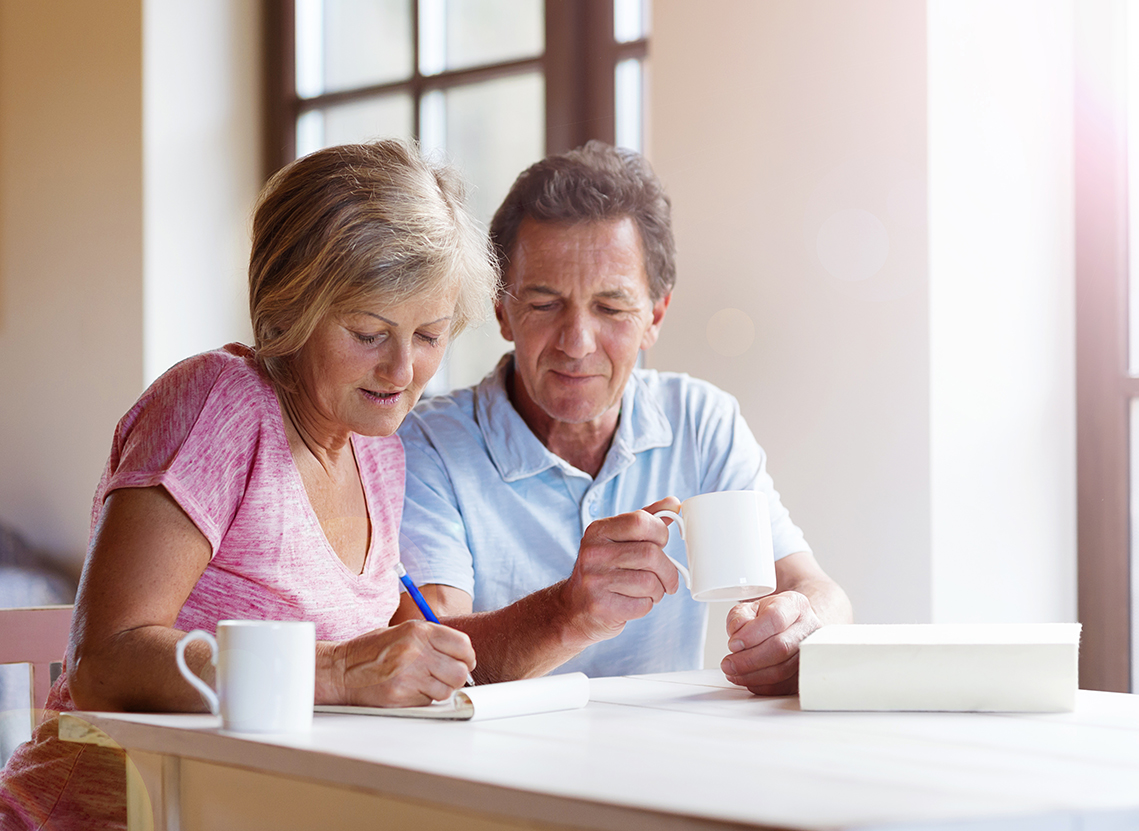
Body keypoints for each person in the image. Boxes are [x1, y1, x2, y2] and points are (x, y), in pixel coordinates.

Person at [0, 139, 496, 830]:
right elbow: (103, 661)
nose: (402, 370)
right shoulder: (219, 404)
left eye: (429, 336)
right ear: (287, 311)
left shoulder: (378, 450)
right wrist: (340, 672)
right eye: (368, 332)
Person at [394, 141, 852, 695]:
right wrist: (569, 612)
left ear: (655, 315)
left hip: (664, 745)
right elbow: (429, 651)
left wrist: (802, 628)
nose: (577, 343)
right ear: (502, 310)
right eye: (544, 304)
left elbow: (819, 590)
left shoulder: (700, 421)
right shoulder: (428, 443)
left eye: (610, 308)